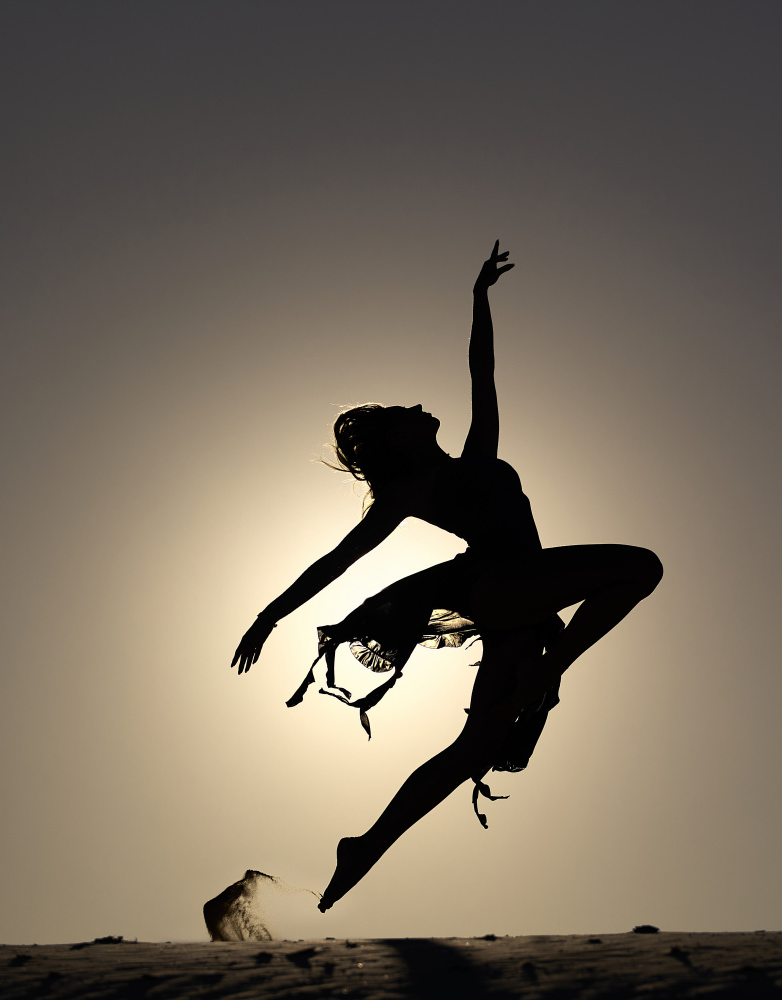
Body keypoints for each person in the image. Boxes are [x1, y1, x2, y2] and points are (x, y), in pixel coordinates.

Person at [231, 242, 663, 911]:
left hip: (518, 604)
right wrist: (269, 615)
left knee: (473, 749)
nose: (413, 406)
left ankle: (365, 845)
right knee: (640, 567)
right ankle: (551, 672)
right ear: (394, 445)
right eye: (399, 415)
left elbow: (481, 373)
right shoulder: (410, 494)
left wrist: (479, 298)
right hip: (502, 585)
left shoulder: (476, 458)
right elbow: (338, 560)